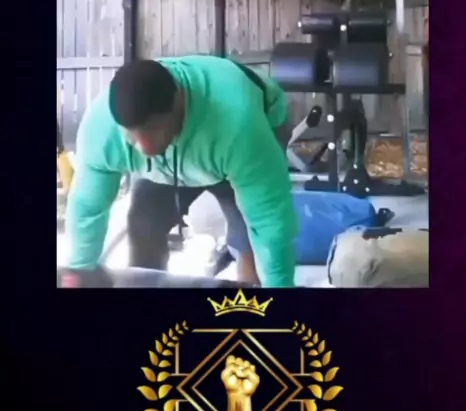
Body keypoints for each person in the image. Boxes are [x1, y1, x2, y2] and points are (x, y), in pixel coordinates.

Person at [62, 55, 298, 288]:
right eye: (132, 134)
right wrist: (80, 272)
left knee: (248, 240)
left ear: (179, 101)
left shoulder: (239, 124)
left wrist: (279, 287)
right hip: (172, 158)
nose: (145, 148)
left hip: (242, 139)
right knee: (144, 221)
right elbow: (88, 208)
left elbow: (269, 222)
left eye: (153, 128)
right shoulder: (102, 129)